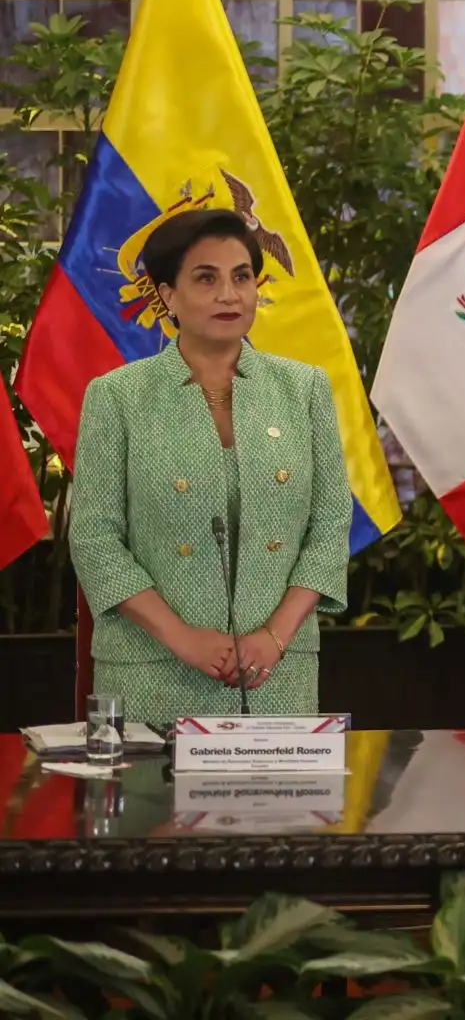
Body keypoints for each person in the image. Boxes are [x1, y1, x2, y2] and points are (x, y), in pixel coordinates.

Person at [67, 208, 353, 728]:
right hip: (152, 671)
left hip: (276, 673)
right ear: (168, 296)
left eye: (242, 277)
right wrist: (186, 639)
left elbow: (332, 524)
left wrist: (274, 637)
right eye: (207, 278)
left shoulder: (304, 389)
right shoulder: (117, 397)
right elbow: (94, 539)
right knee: (152, 810)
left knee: (279, 812)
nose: (230, 294)